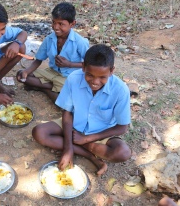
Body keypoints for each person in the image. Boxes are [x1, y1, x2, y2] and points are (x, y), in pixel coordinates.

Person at [32, 44, 131, 176]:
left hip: (101, 132)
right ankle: (90, 156)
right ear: (83, 67)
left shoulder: (120, 90)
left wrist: (86, 139)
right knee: (39, 132)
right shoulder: (74, 78)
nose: (95, 81)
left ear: (111, 71)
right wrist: (68, 150)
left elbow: (122, 127)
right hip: (73, 124)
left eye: (102, 77)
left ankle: (77, 144)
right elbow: (67, 112)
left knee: (122, 153)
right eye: (90, 75)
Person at [16, 2, 89, 103]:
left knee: (64, 101)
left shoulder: (79, 42)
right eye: (54, 22)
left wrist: (69, 64)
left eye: (61, 24)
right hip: (52, 73)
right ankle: (53, 87)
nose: (56, 27)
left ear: (72, 24)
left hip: (69, 77)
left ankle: (44, 88)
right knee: (21, 75)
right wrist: (26, 72)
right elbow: (38, 60)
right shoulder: (49, 39)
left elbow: (90, 64)